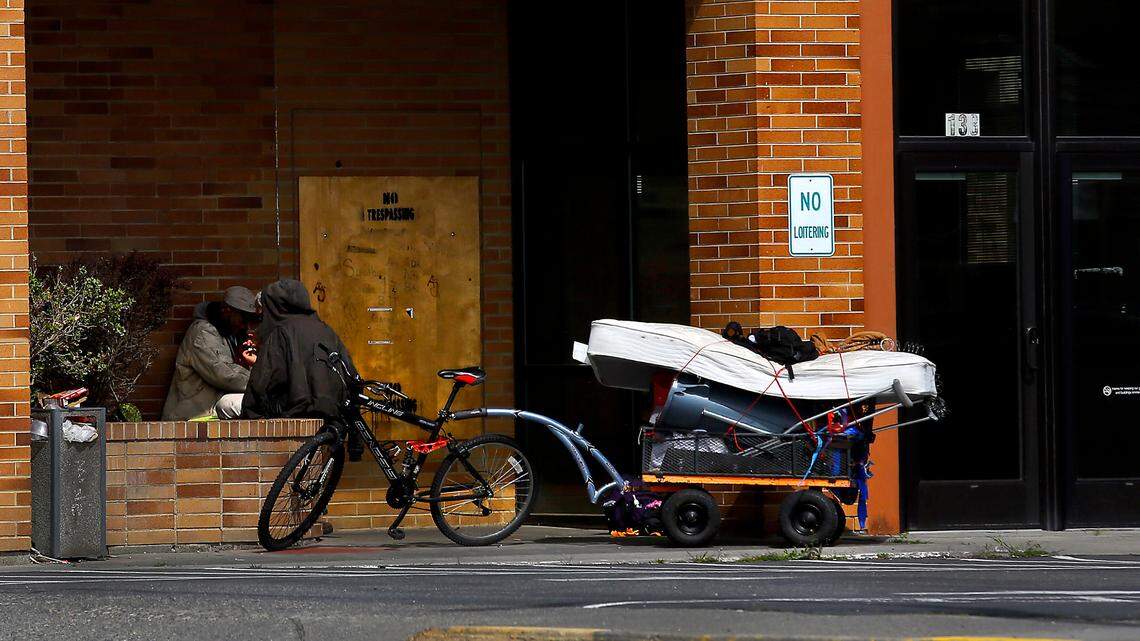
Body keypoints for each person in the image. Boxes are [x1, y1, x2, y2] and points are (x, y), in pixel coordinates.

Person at [242, 278, 356, 420]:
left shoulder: (280, 332)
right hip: (333, 410)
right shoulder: (325, 330)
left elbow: (263, 384)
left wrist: (249, 409)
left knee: (225, 404)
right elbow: (349, 372)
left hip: (293, 412)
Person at [162, 286, 260, 421]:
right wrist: (262, 382)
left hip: (213, 412)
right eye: (243, 319)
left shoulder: (231, 333)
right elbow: (224, 374)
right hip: (193, 416)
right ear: (227, 311)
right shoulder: (203, 332)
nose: (246, 326)